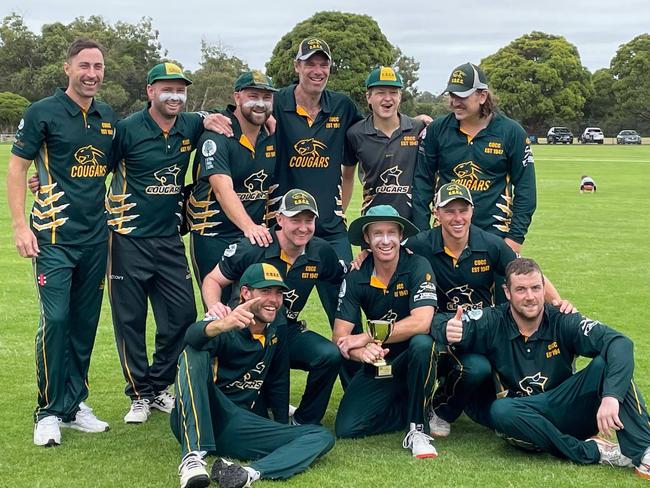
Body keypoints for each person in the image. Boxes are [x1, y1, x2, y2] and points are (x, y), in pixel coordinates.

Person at [434, 257, 650, 480]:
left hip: (565, 405)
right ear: (507, 292)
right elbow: (437, 322)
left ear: (544, 288)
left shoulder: (563, 319)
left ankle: (645, 449)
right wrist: (447, 329)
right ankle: (593, 451)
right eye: (521, 290)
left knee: (607, 362)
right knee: (502, 410)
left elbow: (620, 343)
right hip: (525, 419)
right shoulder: (492, 320)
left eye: (536, 288)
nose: (530, 297)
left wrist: (611, 396)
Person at [7, 39, 116, 446]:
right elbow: (18, 169)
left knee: (84, 324)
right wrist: (21, 226)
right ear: (67, 68)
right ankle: (48, 411)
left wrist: (209, 120)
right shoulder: (42, 111)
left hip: (95, 239)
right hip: (52, 240)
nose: (92, 73)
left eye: (98, 66)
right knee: (55, 322)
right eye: (84, 65)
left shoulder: (108, 116)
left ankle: (74, 406)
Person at [405, 183, 572, 437]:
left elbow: (524, 272)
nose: (457, 218)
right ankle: (429, 409)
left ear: (473, 211)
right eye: (449, 211)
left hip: (479, 331)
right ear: (436, 213)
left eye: (463, 210)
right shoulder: (420, 243)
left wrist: (557, 303)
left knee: (480, 376)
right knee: (420, 347)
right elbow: (388, 251)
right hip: (438, 326)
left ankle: (445, 406)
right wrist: (363, 257)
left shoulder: (490, 244)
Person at [172, 263, 335, 488]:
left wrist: (280, 426)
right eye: (265, 291)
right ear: (246, 293)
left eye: (278, 293)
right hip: (208, 412)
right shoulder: (226, 321)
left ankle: (246, 473)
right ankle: (192, 458)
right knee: (193, 354)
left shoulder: (277, 327)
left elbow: (278, 381)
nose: (274, 299)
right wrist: (220, 325)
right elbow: (191, 338)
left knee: (321, 436)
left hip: (240, 423)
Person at [106, 62, 205, 423]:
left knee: (182, 315)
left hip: (168, 238)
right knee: (130, 320)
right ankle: (139, 394)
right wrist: (44, 179)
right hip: (127, 238)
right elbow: (92, 170)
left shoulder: (190, 125)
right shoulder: (128, 129)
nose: (175, 96)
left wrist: (217, 116)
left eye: (180, 90)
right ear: (150, 91)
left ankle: (160, 386)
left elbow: (215, 120)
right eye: (167, 89)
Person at [201, 189, 345, 425]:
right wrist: (215, 307)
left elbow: (343, 280)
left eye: (309, 221)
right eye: (295, 219)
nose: (303, 227)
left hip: (286, 330)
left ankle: (304, 421)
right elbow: (213, 280)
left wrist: (364, 259)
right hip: (245, 331)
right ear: (279, 219)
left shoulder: (321, 251)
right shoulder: (253, 246)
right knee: (249, 411)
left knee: (328, 355)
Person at [332, 205, 439, 458]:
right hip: (382, 359)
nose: (386, 240)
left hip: (416, 355)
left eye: (392, 232)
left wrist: (367, 335)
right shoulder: (356, 274)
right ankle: (413, 406)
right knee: (347, 428)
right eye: (378, 233)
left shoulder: (417, 265)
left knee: (423, 343)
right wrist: (362, 353)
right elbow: (340, 336)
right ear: (367, 239)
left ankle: (418, 429)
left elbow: (422, 322)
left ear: (401, 235)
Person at [412, 62, 536, 256]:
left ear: (482, 96)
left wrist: (515, 238)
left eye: (462, 96)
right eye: (452, 95)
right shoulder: (437, 130)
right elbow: (421, 185)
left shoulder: (511, 132)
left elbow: (526, 190)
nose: (455, 102)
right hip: (444, 238)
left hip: (496, 237)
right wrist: (422, 234)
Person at [188, 71, 277, 288]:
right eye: (253, 96)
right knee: (221, 311)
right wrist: (250, 227)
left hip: (253, 238)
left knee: (255, 308)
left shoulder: (271, 134)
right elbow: (222, 189)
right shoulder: (217, 136)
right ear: (237, 97)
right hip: (214, 235)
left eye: (266, 98)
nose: (260, 104)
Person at [346, 66, 425, 219]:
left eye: (393, 92)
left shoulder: (418, 128)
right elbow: (347, 177)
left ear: (400, 96)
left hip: (412, 223)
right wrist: (341, 213)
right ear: (368, 96)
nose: (388, 98)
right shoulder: (355, 133)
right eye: (381, 92)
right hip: (373, 221)